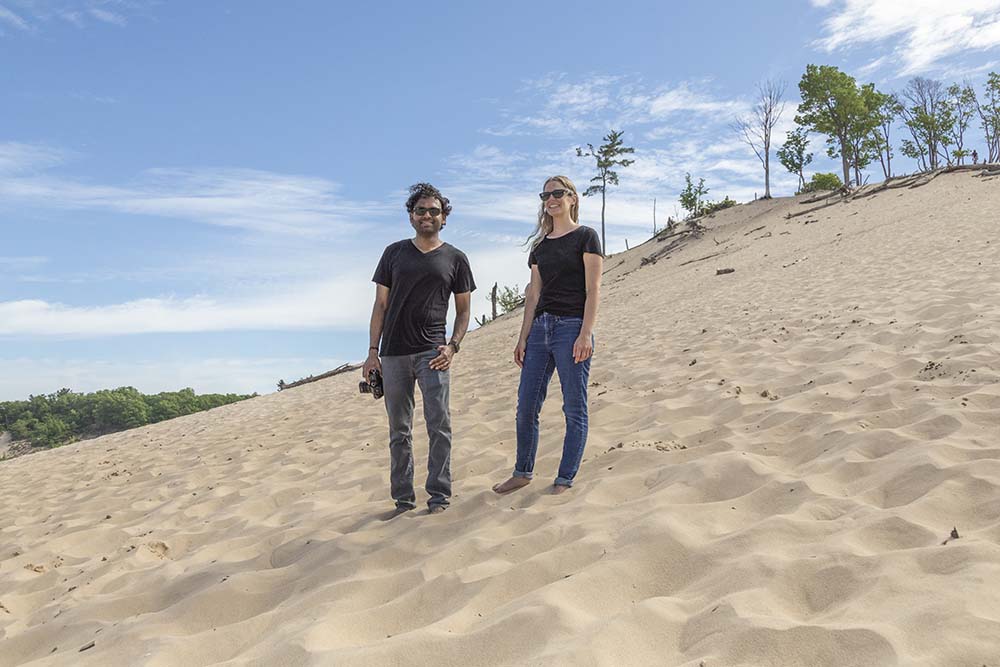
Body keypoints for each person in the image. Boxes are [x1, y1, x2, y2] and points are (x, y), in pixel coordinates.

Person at [364, 183, 475, 515]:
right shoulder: (393, 253)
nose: (427, 216)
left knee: (439, 425)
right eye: (421, 210)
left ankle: (439, 496)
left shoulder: (456, 258)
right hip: (394, 353)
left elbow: (465, 310)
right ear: (411, 216)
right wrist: (373, 352)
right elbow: (380, 306)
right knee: (399, 430)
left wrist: (453, 346)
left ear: (444, 217)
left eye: (434, 211)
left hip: (433, 353)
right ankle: (403, 499)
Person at [492, 175, 603, 495]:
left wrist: (586, 333)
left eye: (558, 193)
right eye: (546, 195)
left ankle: (565, 479)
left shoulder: (586, 236)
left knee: (574, 407)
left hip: (572, 328)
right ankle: (522, 472)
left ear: (572, 198)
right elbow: (533, 295)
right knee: (526, 405)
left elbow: (593, 288)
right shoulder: (540, 246)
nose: (551, 199)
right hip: (540, 330)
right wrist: (522, 337)